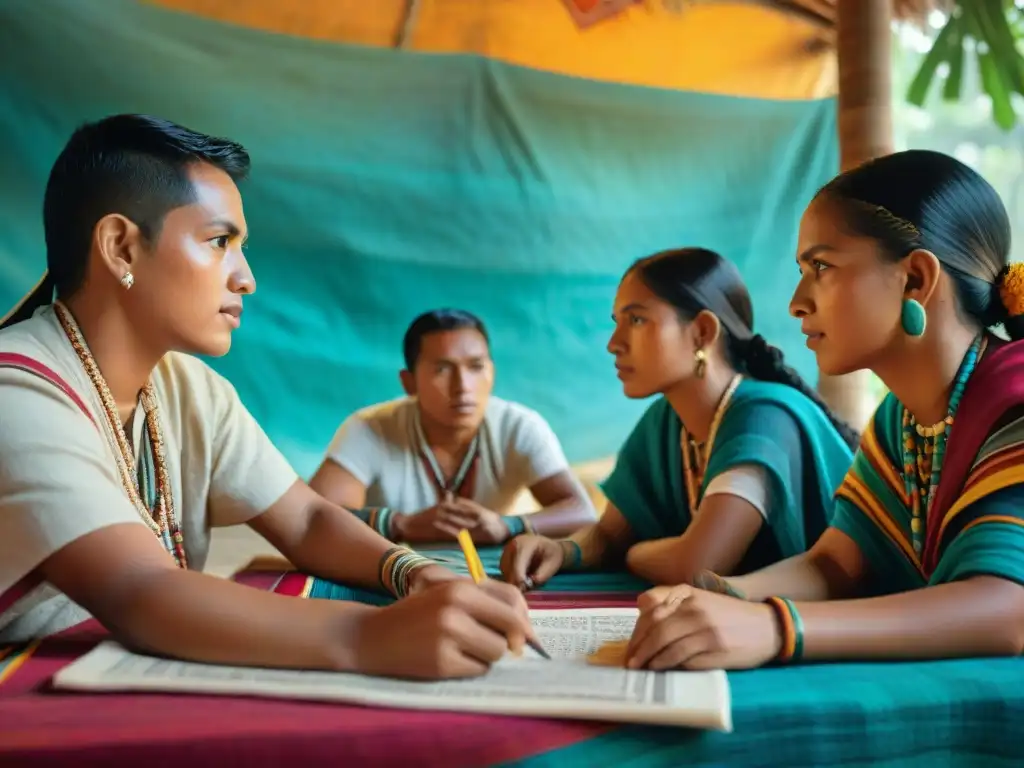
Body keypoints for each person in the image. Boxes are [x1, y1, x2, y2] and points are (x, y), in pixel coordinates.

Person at [0, 114, 536, 680]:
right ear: (121, 248)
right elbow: (141, 590)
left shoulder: (188, 386)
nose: (246, 277)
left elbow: (304, 519)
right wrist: (371, 635)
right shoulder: (19, 390)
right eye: (219, 241)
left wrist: (414, 572)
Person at [623, 149, 1024, 672]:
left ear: (916, 280)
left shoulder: (1012, 400)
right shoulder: (901, 421)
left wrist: (774, 626)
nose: (796, 301)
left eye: (821, 267)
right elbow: (836, 562)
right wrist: (718, 596)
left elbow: (1005, 608)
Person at [500, 247, 858, 591]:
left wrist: (637, 553)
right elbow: (610, 534)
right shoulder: (665, 421)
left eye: (637, 320)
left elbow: (697, 566)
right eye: (617, 322)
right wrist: (562, 550)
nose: (614, 342)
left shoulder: (764, 419)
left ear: (702, 331)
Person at [309, 309, 596, 545]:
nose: (463, 387)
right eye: (442, 369)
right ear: (409, 383)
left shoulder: (519, 426)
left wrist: (508, 526)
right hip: (389, 571)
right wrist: (402, 524)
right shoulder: (370, 428)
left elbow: (582, 512)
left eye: (476, 367)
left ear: (492, 372)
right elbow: (315, 516)